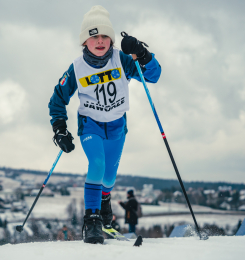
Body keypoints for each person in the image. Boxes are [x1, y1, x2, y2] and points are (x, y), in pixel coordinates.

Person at [49, 5, 161, 244]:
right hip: (91, 125)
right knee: (97, 165)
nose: (99, 41)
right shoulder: (77, 68)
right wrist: (59, 128)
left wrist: (142, 54)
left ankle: (105, 203)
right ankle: (92, 220)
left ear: (111, 39)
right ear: (84, 42)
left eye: (104, 36)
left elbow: (153, 75)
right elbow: (58, 98)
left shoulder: (122, 60)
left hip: (117, 126)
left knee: (109, 178)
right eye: (93, 36)